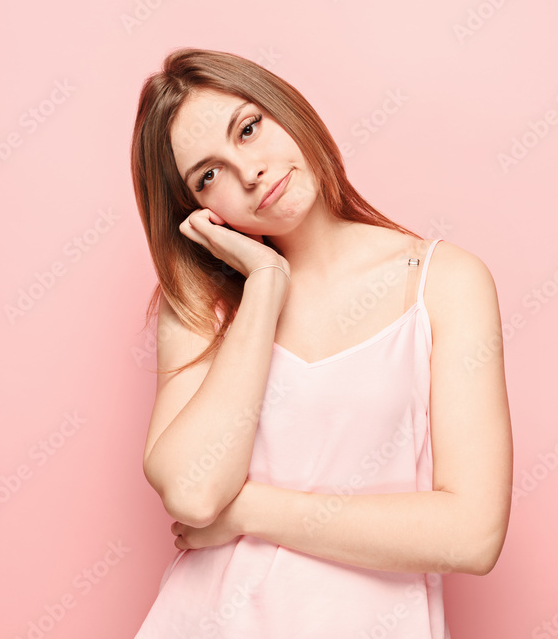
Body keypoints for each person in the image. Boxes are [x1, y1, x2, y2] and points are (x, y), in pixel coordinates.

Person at [130, 47, 513, 638]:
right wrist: (265, 283)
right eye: (209, 175)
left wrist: (249, 511)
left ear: (287, 110)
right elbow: (193, 494)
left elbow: (473, 534)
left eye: (248, 129)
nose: (249, 172)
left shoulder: (442, 282)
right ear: (198, 211)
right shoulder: (202, 306)